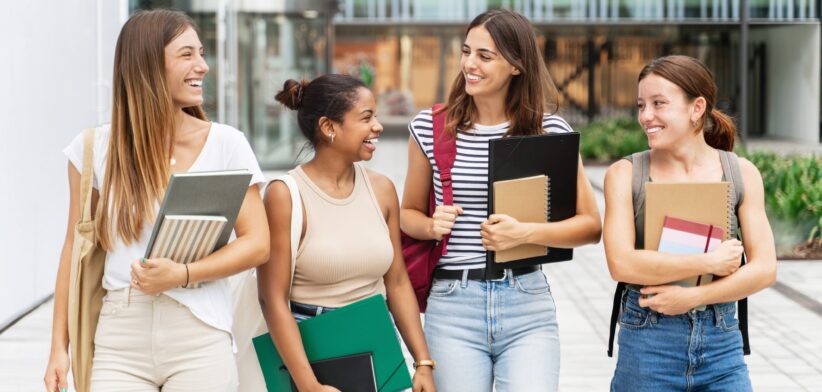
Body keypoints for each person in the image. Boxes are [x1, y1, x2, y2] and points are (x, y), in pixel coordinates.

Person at [44, 9, 270, 392]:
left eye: (201, 53)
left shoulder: (227, 144)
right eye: (187, 54)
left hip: (199, 332)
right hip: (119, 337)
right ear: (147, 63)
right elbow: (73, 248)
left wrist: (183, 274)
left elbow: (258, 243)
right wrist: (58, 348)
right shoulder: (93, 149)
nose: (203, 66)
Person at [400, 9, 602, 392]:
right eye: (466, 51)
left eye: (485, 56)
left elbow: (591, 227)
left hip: (526, 301)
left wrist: (524, 233)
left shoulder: (550, 132)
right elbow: (406, 214)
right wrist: (429, 225)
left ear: (516, 65)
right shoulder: (430, 127)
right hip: (453, 305)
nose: (469, 64)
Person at [603, 55, 777, 391]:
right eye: (641, 105)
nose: (645, 116)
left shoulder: (741, 173)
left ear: (696, 108)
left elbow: (765, 268)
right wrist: (708, 262)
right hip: (648, 344)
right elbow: (621, 263)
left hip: (722, 346)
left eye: (659, 104)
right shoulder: (626, 174)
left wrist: (694, 298)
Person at [258, 74, 436, 392]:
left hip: (376, 344)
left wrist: (422, 361)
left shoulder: (382, 189)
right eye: (366, 118)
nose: (378, 127)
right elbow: (272, 300)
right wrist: (309, 385)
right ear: (329, 127)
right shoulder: (285, 195)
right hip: (312, 353)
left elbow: (396, 282)